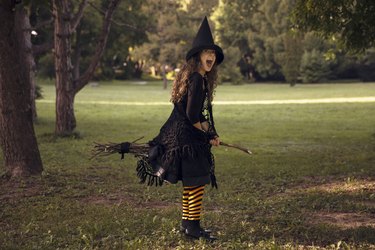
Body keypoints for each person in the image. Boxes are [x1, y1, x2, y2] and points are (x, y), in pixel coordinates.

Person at [135, 16, 224, 241]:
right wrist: (207, 135)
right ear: (197, 56)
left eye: (213, 53)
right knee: (197, 183)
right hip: (186, 139)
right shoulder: (196, 79)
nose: (211, 56)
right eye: (207, 52)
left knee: (192, 183)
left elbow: (199, 114)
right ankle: (193, 229)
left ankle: (187, 226)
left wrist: (211, 132)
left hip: (185, 136)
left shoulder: (197, 79)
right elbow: (192, 116)